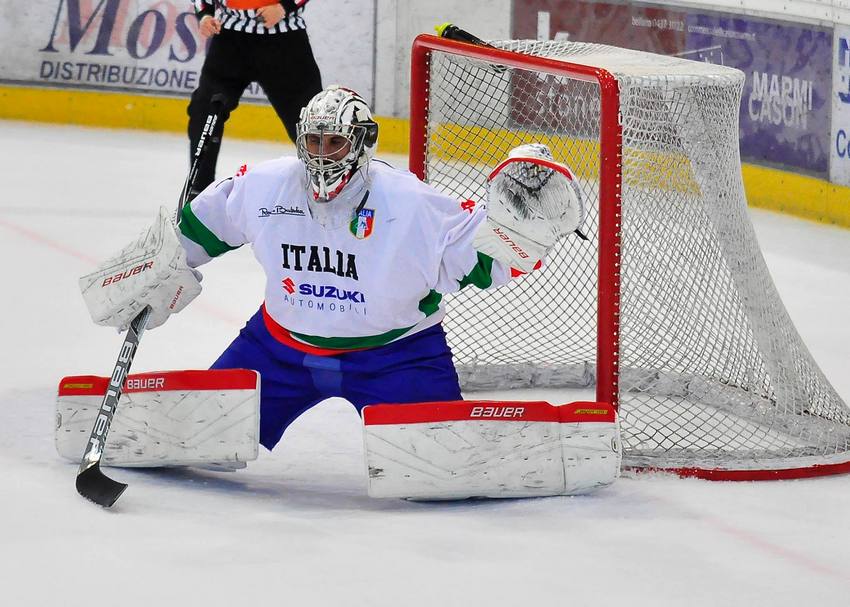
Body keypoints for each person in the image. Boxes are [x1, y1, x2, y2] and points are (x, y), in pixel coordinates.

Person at [81, 85, 586, 454]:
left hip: (396, 358)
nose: (322, 156)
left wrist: (523, 228)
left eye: (335, 143)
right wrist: (155, 271)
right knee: (197, 443)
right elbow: (196, 230)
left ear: (363, 143)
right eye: (314, 142)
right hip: (277, 351)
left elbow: (483, 261)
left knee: (443, 459)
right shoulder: (265, 186)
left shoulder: (410, 203)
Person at [188, 0, 323, 196]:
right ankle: (198, 192)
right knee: (206, 112)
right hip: (229, 43)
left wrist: (284, 7)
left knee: (312, 121)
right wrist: (205, 14)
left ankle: (330, 186)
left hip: (285, 45)